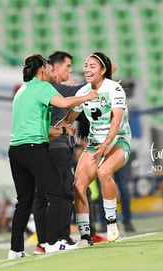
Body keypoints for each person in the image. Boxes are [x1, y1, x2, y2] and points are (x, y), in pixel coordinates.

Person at [8, 54, 98, 259]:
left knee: (24, 201)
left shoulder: (22, 91)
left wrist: (64, 132)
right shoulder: (43, 87)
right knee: (57, 193)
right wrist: (87, 97)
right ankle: (53, 242)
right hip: (34, 149)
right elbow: (64, 103)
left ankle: (15, 249)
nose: (52, 72)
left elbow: (41, 129)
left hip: (15, 151)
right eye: (49, 68)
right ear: (41, 69)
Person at [56, 52, 132, 245]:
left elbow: (116, 122)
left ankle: (112, 222)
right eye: (86, 65)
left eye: (92, 66)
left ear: (103, 70)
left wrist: (106, 145)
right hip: (95, 142)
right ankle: (84, 236)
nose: (87, 69)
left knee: (104, 171)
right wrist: (52, 131)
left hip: (119, 140)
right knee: (78, 185)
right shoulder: (83, 93)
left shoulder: (114, 89)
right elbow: (68, 120)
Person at [98, 164, 136, 233]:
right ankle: (105, 222)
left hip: (118, 158)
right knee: (103, 190)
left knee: (124, 189)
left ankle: (127, 221)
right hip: (102, 160)